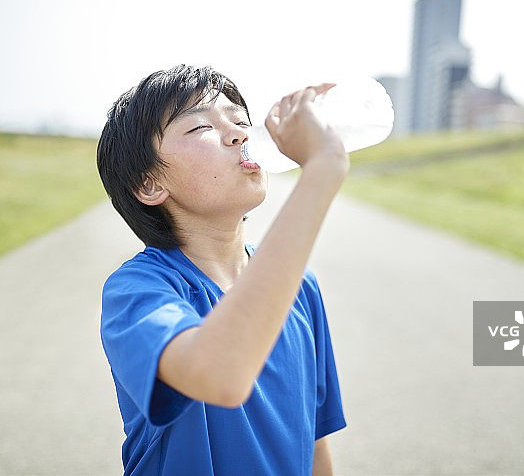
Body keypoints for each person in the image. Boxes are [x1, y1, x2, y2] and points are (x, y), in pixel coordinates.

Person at [96, 64, 349, 475]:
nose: (240, 134)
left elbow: (315, 440)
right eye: (200, 128)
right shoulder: (137, 291)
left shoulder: (300, 287)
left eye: (240, 121)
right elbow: (220, 375)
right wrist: (321, 170)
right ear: (148, 184)